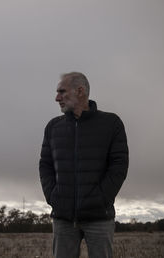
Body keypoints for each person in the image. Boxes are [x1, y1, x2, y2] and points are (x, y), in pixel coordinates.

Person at [39, 72, 129, 258]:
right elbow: (45, 165)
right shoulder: (53, 127)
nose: (57, 98)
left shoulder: (111, 123)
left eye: (62, 92)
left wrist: (101, 198)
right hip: (63, 218)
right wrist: (54, 197)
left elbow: (119, 166)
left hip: (99, 217)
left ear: (80, 91)